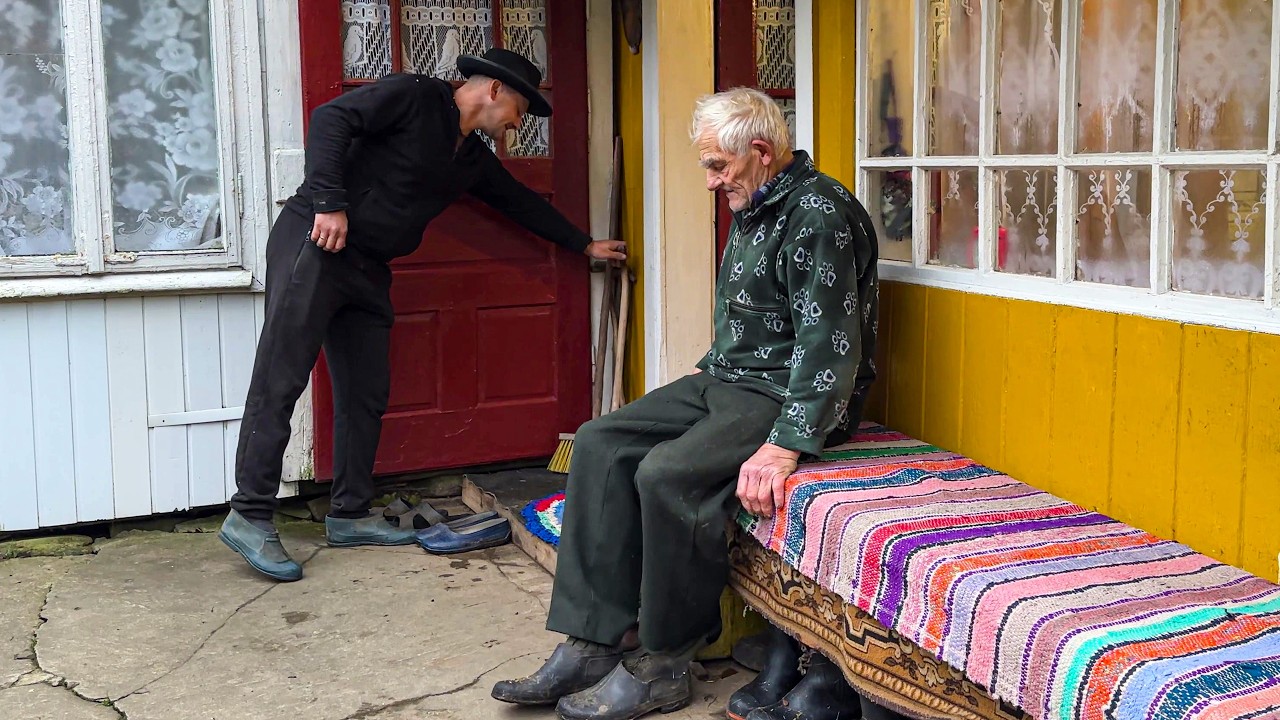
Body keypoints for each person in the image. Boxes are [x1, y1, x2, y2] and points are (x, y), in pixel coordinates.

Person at [491, 87, 879, 720]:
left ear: (760, 151)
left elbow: (830, 342)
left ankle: (663, 662)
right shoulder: (756, 197)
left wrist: (785, 444)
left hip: (790, 392)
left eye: (716, 166)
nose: (709, 181)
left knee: (667, 474)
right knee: (599, 442)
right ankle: (595, 638)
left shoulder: (818, 213)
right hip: (730, 377)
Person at [218, 48, 626, 583]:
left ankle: (349, 513)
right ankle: (250, 513)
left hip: (368, 266)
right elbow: (331, 119)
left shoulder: (470, 157)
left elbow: (517, 201)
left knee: (367, 390)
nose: (516, 125)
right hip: (316, 243)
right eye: (520, 112)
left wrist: (584, 244)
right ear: (495, 90)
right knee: (281, 377)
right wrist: (329, 202)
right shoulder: (415, 96)